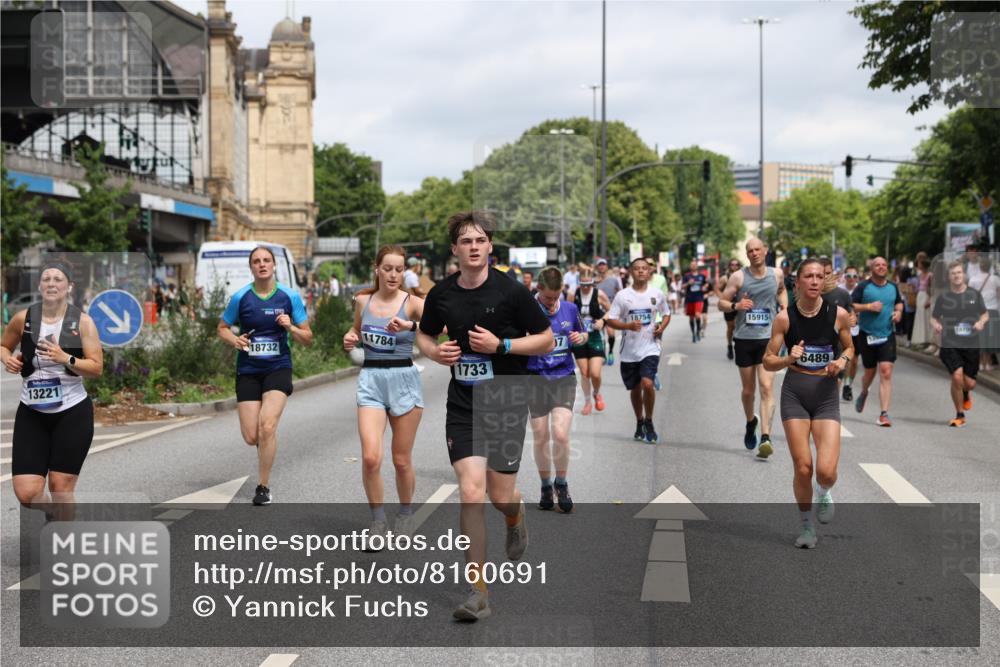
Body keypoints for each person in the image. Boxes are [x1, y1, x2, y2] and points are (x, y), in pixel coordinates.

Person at [415, 210, 553, 622]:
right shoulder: (441, 295)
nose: (473, 247)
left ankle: (516, 513)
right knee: (471, 491)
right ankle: (478, 592)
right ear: (455, 249)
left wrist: (502, 346)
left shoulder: (511, 292)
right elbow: (424, 333)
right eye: (465, 241)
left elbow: (546, 341)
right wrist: (434, 351)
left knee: (499, 496)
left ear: (490, 246)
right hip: (464, 404)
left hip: (508, 400)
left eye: (480, 240)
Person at [1, 262, 104, 519]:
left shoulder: (82, 322)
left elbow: (96, 368)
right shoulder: (23, 319)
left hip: (71, 412)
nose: (51, 283)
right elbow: (3, 346)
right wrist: (7, 358)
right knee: (27, 494)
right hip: (32, 412)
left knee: (61, 487)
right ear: (39, 286)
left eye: (58, 279)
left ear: (68, 287)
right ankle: (56, 513)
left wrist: (64, 358)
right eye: (46, 279)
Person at [763, 258, 854, 549]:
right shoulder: (784, 318)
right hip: (796, 393)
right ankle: (806, 527)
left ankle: (823, 491)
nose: (814, 281)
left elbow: (851, 348)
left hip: (826, 394)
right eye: (808, 276)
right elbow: (768, 360)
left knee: (825, 471)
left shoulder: (837, 315)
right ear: (797, 282)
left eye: (818, 276)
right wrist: (789, 358)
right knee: (803, 467)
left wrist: (841, 360)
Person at [217, 246, 313, 505]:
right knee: (252, 436)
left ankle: (263, 486)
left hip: (278, 367)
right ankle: (265, 441)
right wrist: (234, 340)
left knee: (267, 425)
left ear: (273, 265)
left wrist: (290, 326)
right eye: (257, 261)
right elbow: (222, 328)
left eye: (267, 260)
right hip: (248, 369)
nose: (262, 265)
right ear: (251, 267)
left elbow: (307, 338)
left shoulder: (289, 297)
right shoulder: (241, 297)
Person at [343, 245, 425, 542]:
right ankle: (378, 521)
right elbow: (355, 333)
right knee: (370, 458)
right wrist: (350, 340)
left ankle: (405, 512)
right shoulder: (363, 301)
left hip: (403, 380)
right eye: (387, 268)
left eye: (398, 269)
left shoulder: (413, 302)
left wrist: (410, 325)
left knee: (401, 460)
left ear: (405, 272)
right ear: (376, 268)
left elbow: (440, 328)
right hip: (371, 380)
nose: (393, 275)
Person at [718, 238, 787, 458]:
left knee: (766, 387)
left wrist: (784, 306)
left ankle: (765, 437)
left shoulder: (776, 274)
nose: (754, 253)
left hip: (769, 338)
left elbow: (782, 290)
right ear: (747, 255)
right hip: (744, 338)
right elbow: (721, 302)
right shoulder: (738, 277)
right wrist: (736, 306)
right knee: (749, 391)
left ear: (765, 251)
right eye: (750, 251)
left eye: (757, 249)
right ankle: (751, 422)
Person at [528, 267, 587, 513]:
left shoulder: (570, 309)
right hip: (536, 378)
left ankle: (561, 483)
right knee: (541, 436)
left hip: (563, 377)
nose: (553, 303)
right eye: (548, 298)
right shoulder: (527, 311)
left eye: (557, 297)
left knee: (560, 434)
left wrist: (579, 338)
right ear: (538, 290)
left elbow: (584, 334)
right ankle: (544, 485)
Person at [605, 257, 671, 443]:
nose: (641, 271)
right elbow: (611, 319)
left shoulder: (657, 294)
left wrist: (661, 327)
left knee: (647, 384)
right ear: (631, 272)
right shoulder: (622, 296)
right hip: (629, 351)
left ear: (649, 271)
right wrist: (627, 326)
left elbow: (666, 314)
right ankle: (639, 421)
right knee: (634, 389)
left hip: (650, 347)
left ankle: (649, 421)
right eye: (637, 269)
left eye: (644, 268)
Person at [931, 261, 989, 427]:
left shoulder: (974, 295)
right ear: (949, 277)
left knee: (969, 383)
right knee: (956, 376)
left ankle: (965, 392)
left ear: (963, 275)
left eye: (959, 272)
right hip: (950, 343)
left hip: (971, 343)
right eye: (953, 273)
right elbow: (934, 317)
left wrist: (980, 322)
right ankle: (959, 414)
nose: (956, 275)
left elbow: (985, 314)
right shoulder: (944, 298)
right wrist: (936, 324)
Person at [851, 256, 903, 427]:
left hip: (887, 334)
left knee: (886, 371)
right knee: (869, 372)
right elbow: (851, 305)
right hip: (867, 334)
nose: (881, 267)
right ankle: (864, 391)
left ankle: (883, 413)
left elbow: (899, 304)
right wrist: (868, 307)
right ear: (871, 269)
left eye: (883, 265)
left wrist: (898, 313)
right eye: (877, 265)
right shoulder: (863, 287)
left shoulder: (893, 287)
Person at [571, 265, 612, 415]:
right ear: (579, 283)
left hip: (595, 336)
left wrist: (602, 320)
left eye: (588, 284)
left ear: (592, 283)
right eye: (583, 284)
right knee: (585, 372)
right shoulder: (573, 294)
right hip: (579, 337)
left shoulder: (599, 294)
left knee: (595, 373)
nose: (586, 287)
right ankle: (588, 401)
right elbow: (567, 311)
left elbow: (612, 310)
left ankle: (597, 393)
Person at [968, 255, 1000, 372]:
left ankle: (981, 363)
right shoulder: (995, 279)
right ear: (989, 267)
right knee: (991, 337)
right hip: (992, 311)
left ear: (980, 267)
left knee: (980, 337)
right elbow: (998, 295)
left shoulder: (973, 279)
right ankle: (989, 363)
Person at [840, 265, 863, 401]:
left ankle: (848, 385)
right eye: (849, 276)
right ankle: (841, 382)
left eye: (854, 276)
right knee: (845, 359)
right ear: (845, 277)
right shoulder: (840, 290)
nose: (851, 279)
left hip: (857, 329)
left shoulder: (860, 290)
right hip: (842, 329)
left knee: (854, 361)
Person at [595, 258, 622, 365]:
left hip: (611, 309)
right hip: (598, 310)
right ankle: (603, 355)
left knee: (611, 333)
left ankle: (610, 351)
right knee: (600, 334)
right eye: (600, 265)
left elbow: (619, 293)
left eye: (603, 264)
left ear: (607, 267)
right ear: (597, 267)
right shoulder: (594, 281)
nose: (602, 266)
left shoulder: (613, 280)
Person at [718, 259, 742, 360]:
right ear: (729, 266)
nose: (734, 266)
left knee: (739, 326)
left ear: (739, 266)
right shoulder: (725, 278)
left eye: (736, 264)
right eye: (732, 264)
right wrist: (722, 299)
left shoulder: (742, 276)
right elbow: (718, 289)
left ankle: (738, 344)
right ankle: (729, 346)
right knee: (731, 327)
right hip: (729, 305)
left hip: (740, 305)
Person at [681, 261, 708, 343]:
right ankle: (693, 333)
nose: (693, 266)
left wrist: (704, 288)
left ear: (697, 266)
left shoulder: (701, 276)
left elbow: (706, 285)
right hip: (689, 299)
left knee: (698, 315)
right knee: (691, 318)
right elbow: (682, 286)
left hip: (699, 298)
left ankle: (698, 332)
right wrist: (688, 283)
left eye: (694, 265)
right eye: (691, 265)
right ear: (690, 266)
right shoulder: (687, 276)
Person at [912, 256, 933, 349]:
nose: (918, 265)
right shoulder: (919, 274)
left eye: (920, 263)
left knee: (926, 318)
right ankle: (920, 339)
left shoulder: (930, 275)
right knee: (919, 318)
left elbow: (932, 288)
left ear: (924, 265)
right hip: (920, 296)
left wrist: (929, 300)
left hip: (926, 296)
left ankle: (927, 340)